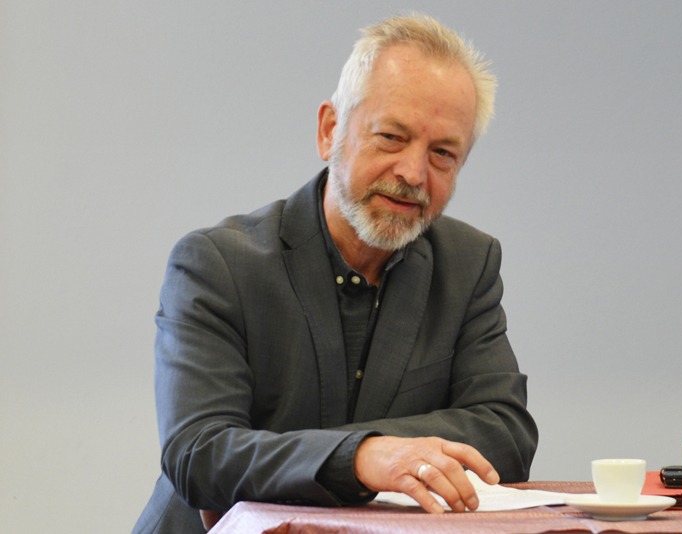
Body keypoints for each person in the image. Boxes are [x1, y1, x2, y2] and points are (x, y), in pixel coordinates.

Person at [134, 13, 538, 533]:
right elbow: (199, 453)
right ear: (330, 131)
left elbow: (505, 433)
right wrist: (362, 457)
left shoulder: (468, 263)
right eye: (391, 137)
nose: (413, 173)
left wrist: (352, 453)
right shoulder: (218, 263)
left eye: (442, 153)